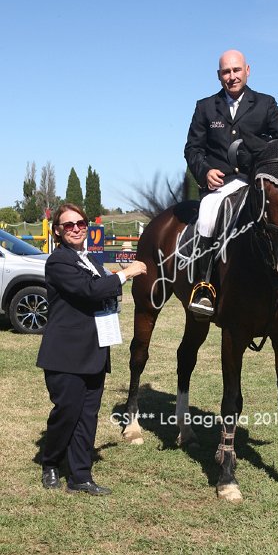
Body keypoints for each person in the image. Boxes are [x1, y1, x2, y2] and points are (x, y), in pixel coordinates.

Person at [184, 49, 278, 316]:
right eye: (226, 72)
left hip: (259, 182)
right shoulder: (205, 107)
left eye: (236, 70)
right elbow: (193, 149)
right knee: (207, 214)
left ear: (247, 71)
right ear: (219, 76)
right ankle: (205, 287)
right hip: (222, 183)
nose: (232, 76)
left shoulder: (265, 103)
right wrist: (205, 172)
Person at [37, 203, 147, 495]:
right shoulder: (58, 262)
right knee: (67, 412)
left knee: (88, 415)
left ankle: (80, 476)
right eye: (68, 225)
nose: (76, 228)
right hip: (65, 353)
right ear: (58, 231)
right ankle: (50, 461)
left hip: (94, 350)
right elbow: (89, 290)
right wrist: (126, 274)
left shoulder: (92, 261)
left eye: (80, 223)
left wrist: (115, 278)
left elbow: (103, 288)